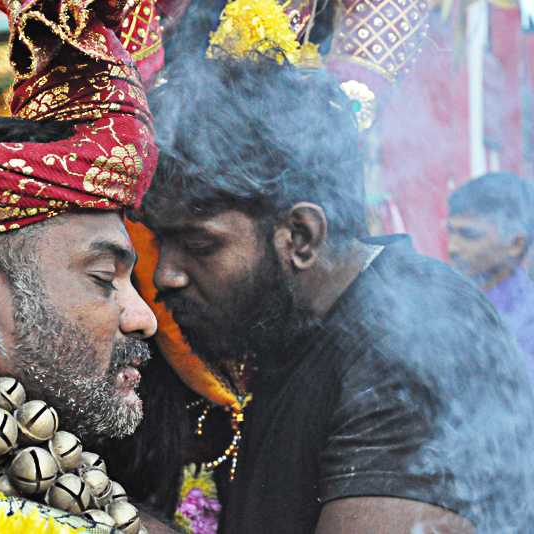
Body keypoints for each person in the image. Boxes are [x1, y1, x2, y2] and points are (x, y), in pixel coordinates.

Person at [137, 52, 534, 533]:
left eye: (198, 245)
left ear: (301, 236)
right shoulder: (289, 326)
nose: (165, 276)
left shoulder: (409, 335)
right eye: (160, 243)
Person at [447, 173, 534, 378]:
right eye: (451, 232)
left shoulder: (528, 320)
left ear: (515, 244)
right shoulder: (442, 299)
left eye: (469, 235)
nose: (453, 247)